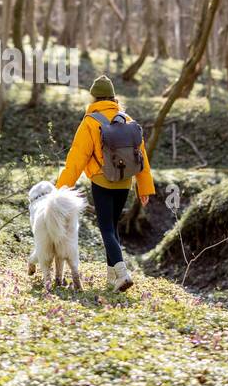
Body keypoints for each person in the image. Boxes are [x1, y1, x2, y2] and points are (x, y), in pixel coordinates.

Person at [55, 75, 154, 291]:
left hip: (102, 181)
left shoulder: (90, 121)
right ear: (113, 97)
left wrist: (60, 190)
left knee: (106, 227)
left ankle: (122, 273)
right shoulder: (127, 120)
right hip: (125, 182)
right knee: (113, 227)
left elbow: (76, 159)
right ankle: (112, 276)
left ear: (94, 97)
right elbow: (142, 156)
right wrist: (144, 187)